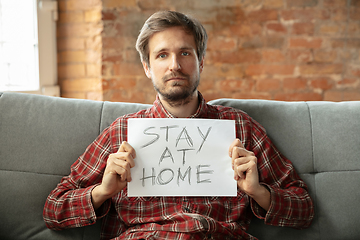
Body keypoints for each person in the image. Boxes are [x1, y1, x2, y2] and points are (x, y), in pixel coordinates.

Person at [43, 10, 314, 240]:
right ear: (147, 67)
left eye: (185, 53)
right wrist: (102, 192)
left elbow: (304, 208)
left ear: (201, 61)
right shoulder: (122, 132)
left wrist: (258, 192)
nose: (175, 65)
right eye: (162, 55)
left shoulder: (240, 127)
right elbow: (54, 209)